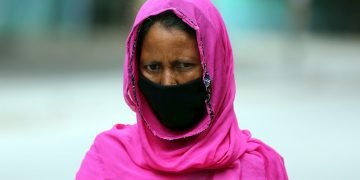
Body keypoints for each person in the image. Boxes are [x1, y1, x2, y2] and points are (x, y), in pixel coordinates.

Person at [76, 0, 288, 179]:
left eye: (184, 65)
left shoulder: (260, 168)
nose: (168, 82)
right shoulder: (107, 160)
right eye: (153, 67)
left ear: (215, 67)